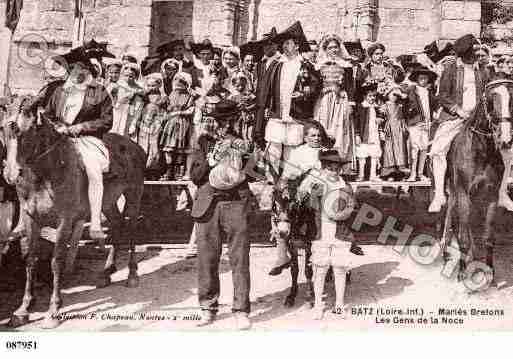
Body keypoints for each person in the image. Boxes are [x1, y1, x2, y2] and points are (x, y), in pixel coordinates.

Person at [190, 99, 253, 330]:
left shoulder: (242, 142)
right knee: (207, 259)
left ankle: (241, 310)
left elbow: (255, 174)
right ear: (215, 121)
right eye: (221, 120)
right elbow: (195, 176)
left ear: (235, 120)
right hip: (209, 203)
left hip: (236, 201)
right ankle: (208, 307)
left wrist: (248, 159)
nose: (225, 124)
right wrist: (212, 159)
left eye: (229, 120)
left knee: (240, 259)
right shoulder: (203, 141)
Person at [42, 46, 113, 240]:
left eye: (80, 68)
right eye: (72, 68)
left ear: (87, 70)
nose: (75, 71)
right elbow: (47, 114)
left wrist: (81, 127)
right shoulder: (59, 91)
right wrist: (56, 126)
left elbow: (107, 121)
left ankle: (96, 222)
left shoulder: (99, 92)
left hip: (86, 139)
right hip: (59, 138)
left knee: (93, 170)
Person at [428, 34, 489, 212]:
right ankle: (439, 193)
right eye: (475, 50)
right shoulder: (451, 69)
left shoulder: (483, 70)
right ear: (467, 52)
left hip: (478, 118)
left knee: (504, 147)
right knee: (438, 150)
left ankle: (501, 192)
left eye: (478, 50)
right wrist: (458, 110)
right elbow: (443, 96)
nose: (478, 53)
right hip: (456, 117)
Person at [254, 22, 319, 181]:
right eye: (283, 43)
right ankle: (272, 178)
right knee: (274, 145)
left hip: (296, 113)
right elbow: (265, 90)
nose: (284, 46)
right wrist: (266, 108)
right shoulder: (276, 64)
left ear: (297, 46)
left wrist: (304, 93)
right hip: (277, 113)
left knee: (292, 147)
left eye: (288, 43)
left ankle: (289, 178)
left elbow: (315, 85)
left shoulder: (305, 65)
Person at [298, 149, 357, 320]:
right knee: (320, 269)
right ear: (323, 168)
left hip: (340, 233)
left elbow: (351, 209)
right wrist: (311, 193)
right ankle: (318, 304)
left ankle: (339, 304)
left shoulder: (345, 187)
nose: (334, 171)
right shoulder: (316, 185)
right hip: (320, 232)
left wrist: (343, 213)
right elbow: (307, 206)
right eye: (329, 168)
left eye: (337, 168)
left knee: (340, 268)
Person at [313, 34, 356, 175]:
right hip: (324, 99)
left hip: (340, 100)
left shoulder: (346, 65)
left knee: (340, 129)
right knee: (323, 127)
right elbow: (315, 84)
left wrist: (350, 103)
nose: (333, 50)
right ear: (325, 49)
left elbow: (350, 86)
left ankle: (340, 165)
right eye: (330, 47)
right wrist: (323, 89)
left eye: (336, 47)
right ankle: (321, 163)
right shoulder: (319, 65)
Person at [130, 73, 168, 178]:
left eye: (153, 86)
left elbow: (164, 112)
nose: (151, 88)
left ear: (159, 85)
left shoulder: (162, 98)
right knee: (143, 146)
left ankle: (153, 171)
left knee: (154, 147)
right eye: (149, 85)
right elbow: (138, 109)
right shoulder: (144, 96)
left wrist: (159, 123)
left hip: (156, 125)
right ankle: (142, 170)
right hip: (144, 124)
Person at [160, 72, 196, 180]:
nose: (178, 83)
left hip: (182, 123)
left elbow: (191, 110)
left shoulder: (189, 96)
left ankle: (178, 172)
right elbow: (166, 109)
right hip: (170, 124)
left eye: (181, 82)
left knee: (180, 149)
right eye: (176, 81)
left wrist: (178, 113)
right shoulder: (171, 95)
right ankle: (168, 170)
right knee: (168, 149)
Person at [404, 66, 438, 182]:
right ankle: (412, 173)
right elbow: (404, 102)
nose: (423, 80)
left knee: (424, 148)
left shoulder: (429, 92)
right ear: (417, 79)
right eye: (421, 78)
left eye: (425, 78)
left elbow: (434, 105)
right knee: (415, 148)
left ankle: (420, 173)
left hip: (426, 123)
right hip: (415, 123)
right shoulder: (412, 90)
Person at [354, 82, 384, 181]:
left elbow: (381, 117)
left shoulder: (377, 107)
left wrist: (380, 119)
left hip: (374, 134)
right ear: (365, 96)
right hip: (364, 134)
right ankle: (361, 174)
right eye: (370, 96)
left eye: (374, 96)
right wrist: (357, 134)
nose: (372, 98)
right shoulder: (361, 107)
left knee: (374, 154)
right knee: (362, 154)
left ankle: (373, 175)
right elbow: (356, 122)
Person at [381, 85, 409, 180]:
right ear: (388, 94)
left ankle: (400, 171)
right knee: (389, 149)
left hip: (399, 129)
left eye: (396, 95)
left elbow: (407, 103)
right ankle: (390, 171)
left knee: (400, 149)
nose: (394, 97)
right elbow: (381, 117)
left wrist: (401, 94)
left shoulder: (400, 105)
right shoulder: (385, 105)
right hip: (390, 128)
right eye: (393, 94)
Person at [111, 62, 144, 136]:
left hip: (129, 112)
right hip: (117, 111)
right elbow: (112, 99)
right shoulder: (117, 85)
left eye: (131, 76)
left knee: (124, 132)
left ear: (136, 76)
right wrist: (117, 103)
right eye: (126, 76)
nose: (128, 78)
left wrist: (133, 123)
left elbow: (138, 108)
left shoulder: (138, 90)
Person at [228, 71, 256, 143]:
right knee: (238, 130)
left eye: (242, 85)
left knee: (248, 131)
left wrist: (247, 108)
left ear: (245, 84)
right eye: (237, 86)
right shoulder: (232, 97)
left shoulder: (248, 94)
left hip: (248, 117)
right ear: (234, 86)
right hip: (237, 118)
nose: (240, 87)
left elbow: (255, 103)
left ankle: (248, 142)